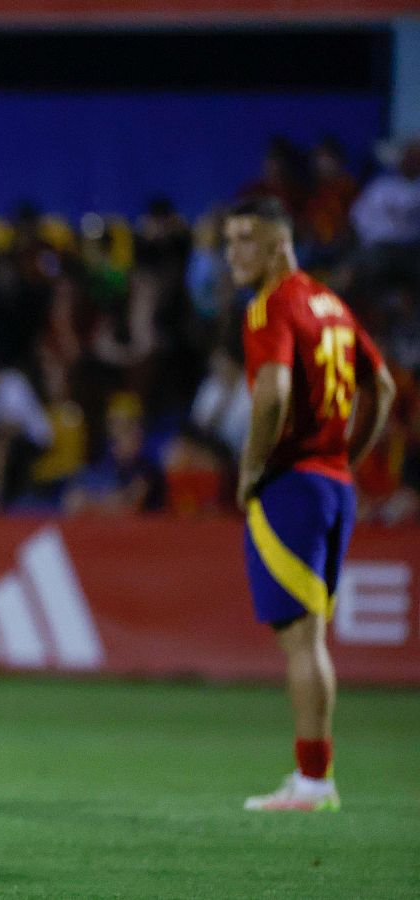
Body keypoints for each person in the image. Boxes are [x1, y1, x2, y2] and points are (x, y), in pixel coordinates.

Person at [226, 197, 394, 811]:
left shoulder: (270, 307)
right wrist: (349, 456)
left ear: (279, 243)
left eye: (245, 238)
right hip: (332, 484)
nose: (232, 252)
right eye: (228, 240)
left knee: (300, 641)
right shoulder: (331, 304)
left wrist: (251, 469)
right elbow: (382, 385)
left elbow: (272, 395)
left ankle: (314, 782)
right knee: (311, 639)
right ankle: (314, 777)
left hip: (292, 484)